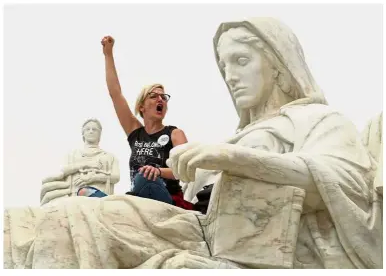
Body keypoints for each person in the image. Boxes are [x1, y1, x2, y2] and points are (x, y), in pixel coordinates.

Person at [4, 17, 382, 269]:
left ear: (279, 66)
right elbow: (116, 96)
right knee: (50, 217)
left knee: (91, 217)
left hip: (184, 213)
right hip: (192, 221)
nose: (230, 76)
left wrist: (231, 158)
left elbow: (346, 185)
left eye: (240, 60)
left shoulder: (319, 119)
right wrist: (108, 54)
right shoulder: (144, 133)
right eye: (225, 66)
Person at [78, 36, 192, 209]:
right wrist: (108, 54)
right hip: (138, 195)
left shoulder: (174, 134)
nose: (160, 99)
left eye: (163, 97)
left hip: (164, 195)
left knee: (144, 176)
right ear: (142, 107)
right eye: (153, 96)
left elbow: (187, 171)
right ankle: (122, 206)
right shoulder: (135, 131)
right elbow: (115, 94)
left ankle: (122, 206)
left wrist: (158, 171)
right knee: (84, 192)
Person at [40, 118, 120, 206]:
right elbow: (64, 170)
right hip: (73, 195)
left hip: (98, 195)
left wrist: (93, 178)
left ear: (100, 134)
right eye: (88, 129)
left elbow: (116, 177)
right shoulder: (72, 154)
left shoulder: (109, 156)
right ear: (83, 133)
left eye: (94, 129)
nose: (91, 131)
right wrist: (86, 164)